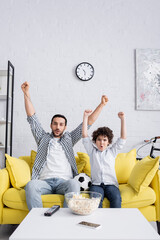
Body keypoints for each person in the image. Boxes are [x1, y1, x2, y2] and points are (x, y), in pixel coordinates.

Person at [21, 81, 108, 210]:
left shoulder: (69, 139)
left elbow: (88, 122)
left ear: (65, 127)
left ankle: (66, 222)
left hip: (64, 182)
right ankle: (38, 221)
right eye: (55, 124)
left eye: (61, 124)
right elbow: (32, 118)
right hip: (44, 182)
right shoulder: (42, 138)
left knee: (74, 184)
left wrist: (101, 105)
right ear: (51, 125)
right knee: (31, 185)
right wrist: (26, 93)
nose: (58, 127)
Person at [82, 103, 126, 208]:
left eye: (104, 140)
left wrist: (122, 119)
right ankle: (98, 222)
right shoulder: (92, 151)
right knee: (95, 202)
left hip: (111, 184)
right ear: (95, 141)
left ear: (109, 142)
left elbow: (123, 138)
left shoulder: (112, 151)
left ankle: (114, 222)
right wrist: (85, 117)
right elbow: (84, 135)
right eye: (99, 140)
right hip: (96, 185)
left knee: (116, 198)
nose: (102, 143)